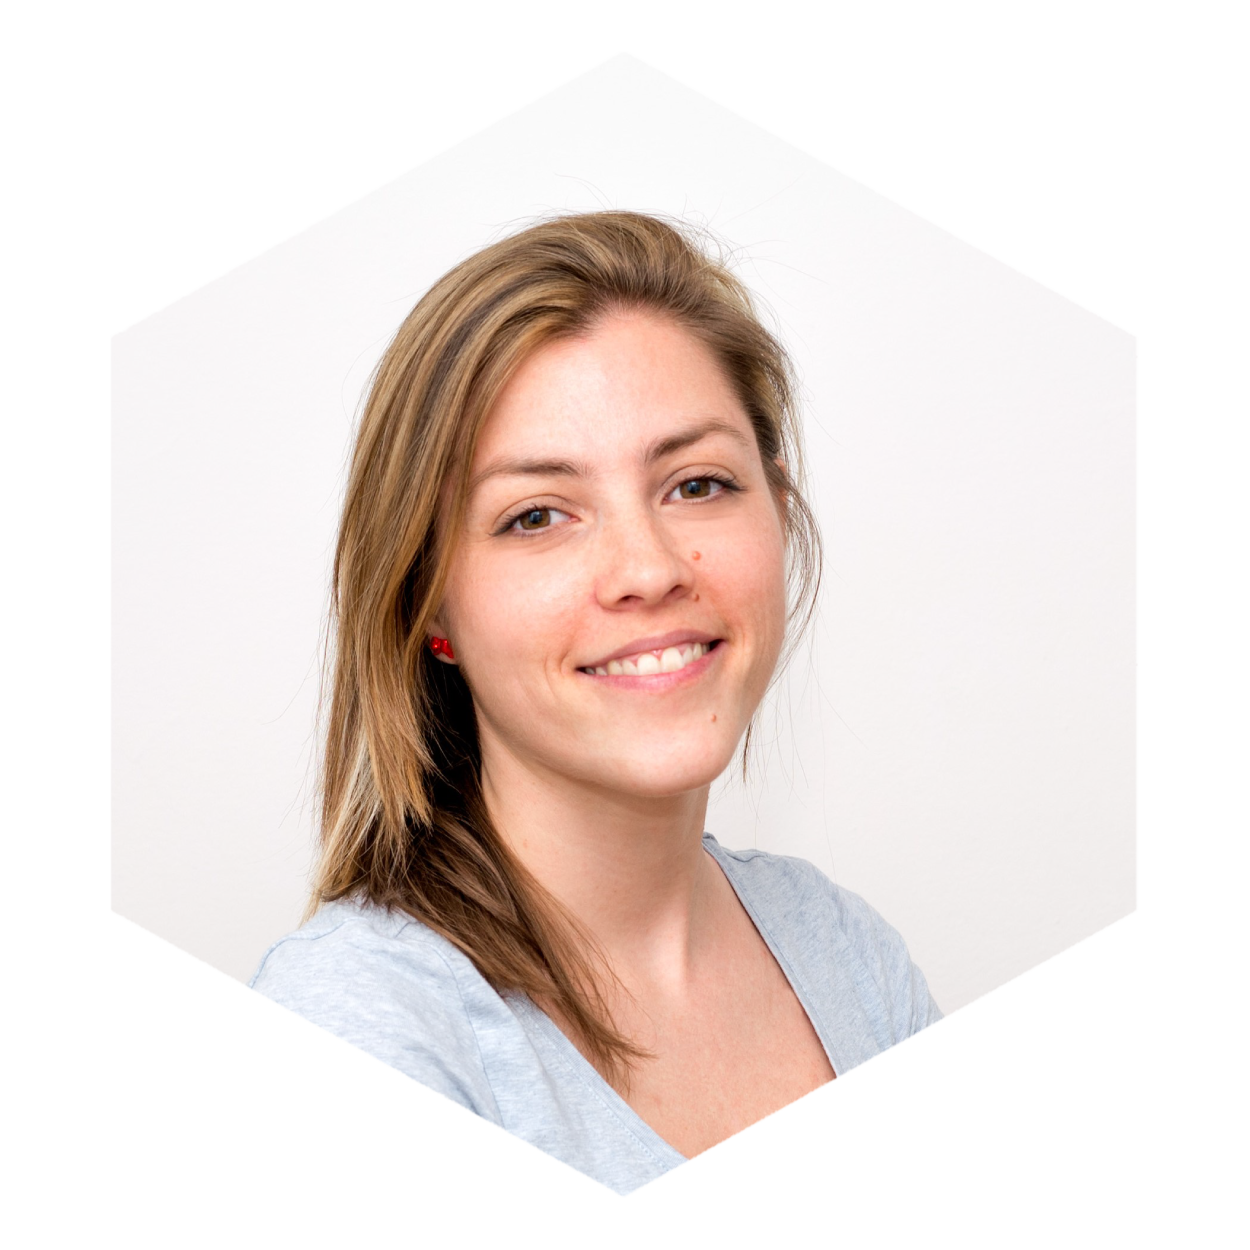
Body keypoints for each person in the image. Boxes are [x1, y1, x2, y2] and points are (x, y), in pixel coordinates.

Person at [224, 210, 983, 1198]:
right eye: (536, 515)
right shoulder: (350, 1021)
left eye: (697, 484)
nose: (647, 569)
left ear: (779, 508)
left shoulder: (843, 946)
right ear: (427, 606)